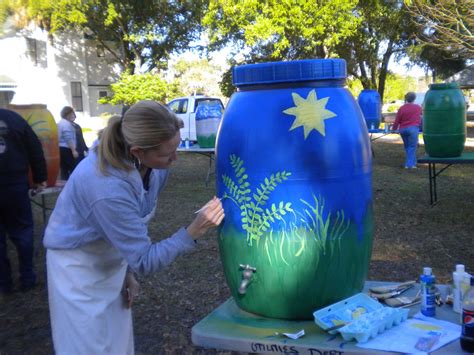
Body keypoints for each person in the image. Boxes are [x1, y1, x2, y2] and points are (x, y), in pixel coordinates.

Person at [43, 100, 224, 354]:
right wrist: (193, 231)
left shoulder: (155, 168)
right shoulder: (104, 186)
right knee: (88, 346)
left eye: (177, 146)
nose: (175, 158)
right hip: (78, 269)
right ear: (138, 151)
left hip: (111, 257)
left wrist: (125, 269)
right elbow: (145, 260)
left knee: (118, 345)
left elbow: (127, 235)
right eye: (166, 153)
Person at [0, 108, 47, 294]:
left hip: (15, 183)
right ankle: (28, 277)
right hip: (15, 184)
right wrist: (40, 177)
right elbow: (35, 148)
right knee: (23, 232)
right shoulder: (14, 119)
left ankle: (4, 283)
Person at [392, 92, 423, 169]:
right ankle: (409, 165)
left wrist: (394, 129)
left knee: (407, 147)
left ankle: (413, 163)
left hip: (403, 129)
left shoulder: (402, 108)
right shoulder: (418, 107)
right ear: (414, 99)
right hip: (413, 129)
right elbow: (421, 118)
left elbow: (397, 120)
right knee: (412, 146)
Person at [58, 105, 78, 179]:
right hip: (67, 149)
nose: (73, 115)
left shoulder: (60, 123)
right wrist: (73, 150)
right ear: (67, 114)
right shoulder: (66, 124)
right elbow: (68, 138)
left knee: (64, 169)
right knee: (72, 168)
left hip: (60, 148)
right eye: (72, 113)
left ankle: (64, 184)